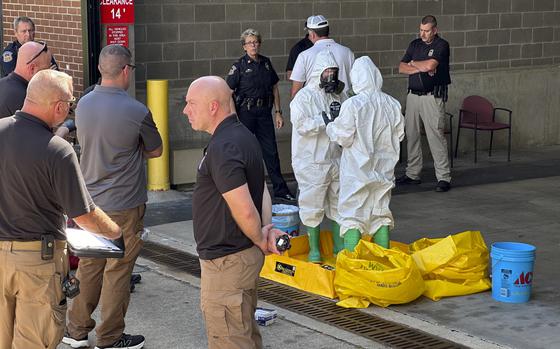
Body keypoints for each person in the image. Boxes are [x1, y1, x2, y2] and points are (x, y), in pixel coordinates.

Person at [0, 69, 122, 349]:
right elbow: (84, 215)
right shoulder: (58, 149)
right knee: (35, 342)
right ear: (58, 107)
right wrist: (115, 232)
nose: (70, 109)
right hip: (37, 264)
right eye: (69, 103)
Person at [63, 44, 162, 349]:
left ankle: (76, 331)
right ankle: (110, 337)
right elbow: (156, 149)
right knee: (118, 271)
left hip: (90, 201)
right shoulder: (137, 110)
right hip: (125, 204)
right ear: (124, 70)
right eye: (130, 68)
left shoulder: (83, 105)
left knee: (90, 266)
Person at [184, 76, 284, 349]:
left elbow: (245, 209)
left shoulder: (224, 146)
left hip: (228, 263)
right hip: (240, 257)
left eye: (191, 103)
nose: (185, 110)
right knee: (244, 332)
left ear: (213, 106)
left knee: (230, 339)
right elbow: (261, 189)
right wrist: (264, 230)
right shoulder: (242, 135)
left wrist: (260, 236)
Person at [326, 56, 404, 251]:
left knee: (352, 216)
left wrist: (331, 126)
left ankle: (354, 268)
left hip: (357, 172)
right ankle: (382, 262)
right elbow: (400, 135)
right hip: (384, 171)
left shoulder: (353, 105)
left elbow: (344, 137)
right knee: (380, 214)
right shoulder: (393, 104)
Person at [289, 50, 347, 262]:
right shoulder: (303, 98)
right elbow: (302, 125)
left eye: (334, 71)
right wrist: (324, 121)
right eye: (327, 71)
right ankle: (314, 249)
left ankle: (338, 247)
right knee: (312, 205)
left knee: (339, 203)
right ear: (318, 73)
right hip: (312, 160)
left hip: (335, 158)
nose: (331, 75)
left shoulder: (337, 95)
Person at [226, 28, 295, 202]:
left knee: (271, 152)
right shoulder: (239, 66)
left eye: (256, 42)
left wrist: (278, 113)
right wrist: (233, 117)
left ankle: (280, 189)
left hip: (264, 113)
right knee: (247, 153)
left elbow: (274, 87)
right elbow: (228, 92)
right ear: (244, 46)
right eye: (249, 42)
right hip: (245, 114)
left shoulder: (266, 63)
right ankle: (247, 191)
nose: (253, 45)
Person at [397, 15, 452, 192]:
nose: (423, 33)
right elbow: (401, 67)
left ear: (434, 30)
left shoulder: (441, 45)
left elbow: (431, 65)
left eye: (426, 31)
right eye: (421, 30)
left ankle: (443, 177)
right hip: (413, 96)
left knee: (436, 136)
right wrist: (417, 64)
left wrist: (415, 63)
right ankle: (413, 174)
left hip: (432, 97)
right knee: (411, 135)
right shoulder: (415, 44)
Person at [290, 15, 354, 98]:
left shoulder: (304, 56)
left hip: (315, 108)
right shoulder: (348, 52)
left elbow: (296, 92)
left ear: (312, 34)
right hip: (345, 107)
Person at [0, 41, 53, 118]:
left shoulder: (2, 84)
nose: (49, 74)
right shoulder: (27, 98)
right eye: (45, 70)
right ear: (32, 68)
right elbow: (35, 129)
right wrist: (63, 129)